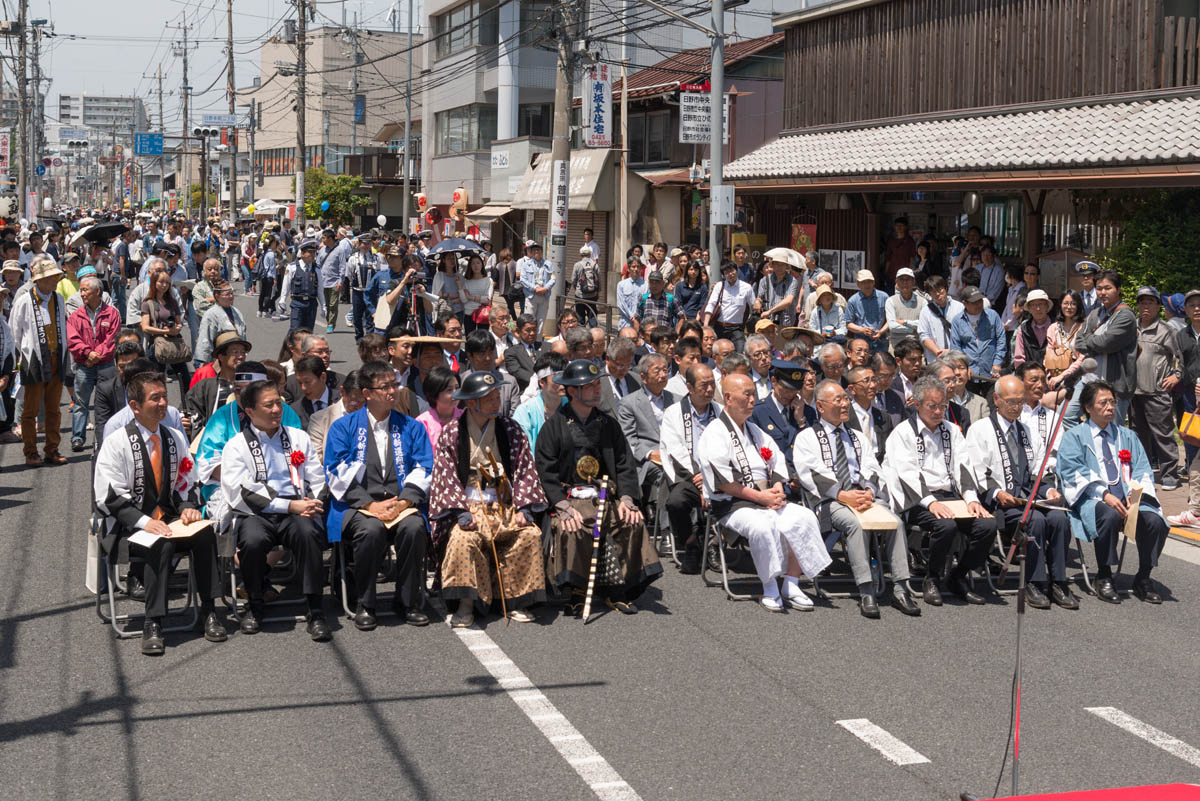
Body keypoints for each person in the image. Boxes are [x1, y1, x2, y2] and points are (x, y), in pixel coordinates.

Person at [93, 371, 227, 655]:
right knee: (160, 543)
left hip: (168, 521)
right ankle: (153, 622)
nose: (163, 403)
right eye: (156, 398)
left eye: (164, 396)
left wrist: (188, 508)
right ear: (135, 406)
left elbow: (186, 483)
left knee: (204, 535)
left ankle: (209, 610)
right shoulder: (116, 443)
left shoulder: (174, 437)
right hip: (128, 527)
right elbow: (109, 497)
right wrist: (144, 522)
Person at [535, 358, 661, 615]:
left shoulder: (608, 424)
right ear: (572, 390)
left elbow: (625, 464)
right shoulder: (553, 427)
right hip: (569, 498)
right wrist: (562, 507)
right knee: (575, 526)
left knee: (630, 521)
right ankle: (577, 591)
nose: (597, 390)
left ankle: (618, 589)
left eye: (597, 384)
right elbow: (545, 472)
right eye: (589, 385)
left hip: (605, 495)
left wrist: (627, 499)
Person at [698, 372, 831, 612]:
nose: (752, 399)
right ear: (728, 398)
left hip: (766, 496)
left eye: (753, 394)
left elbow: (776, 458)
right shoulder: (714, 432)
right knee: (762, 526)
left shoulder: (753, 430)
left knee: (804, 517)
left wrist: (778, 486)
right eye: (746, 394)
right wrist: (761, 497)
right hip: (734, 503)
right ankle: (770, 585)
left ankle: (791, 582)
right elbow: (723, 482)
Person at [429, 370, 548, 627]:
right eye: (489, 397)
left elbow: (525, 468)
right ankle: (466, 603)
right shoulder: (452, 432)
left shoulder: (510, 429)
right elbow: (444, 476)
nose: (497, 401)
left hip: (504, 503)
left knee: (528, 534)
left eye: (497, 395)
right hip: (468, 505)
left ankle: (516, 599)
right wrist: (461, 513)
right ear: (471, 402)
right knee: (463, 539)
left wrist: (525, 508)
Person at [794, 380, 920, 618]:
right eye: (839, 400)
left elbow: (872, 467)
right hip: (831, 500)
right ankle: (866, 589)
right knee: (854, 524)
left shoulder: (857, 437)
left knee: (895, 522)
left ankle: (901, 588)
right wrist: (842, 494)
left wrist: (870, 491)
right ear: (820, 406)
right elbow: (809, 472)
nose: (845, 404)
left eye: (846, 399)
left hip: (863, 495)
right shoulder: (807, 437)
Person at [325, 360, 435, 627]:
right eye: (384, 387)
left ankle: (408, 601)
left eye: (394, 385)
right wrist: (370, 505)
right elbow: (335, 471)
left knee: (413, 527)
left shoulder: (412, 426)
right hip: (359, 505)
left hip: (401, 502)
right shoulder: (344, 427)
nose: (392, 391)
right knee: (370, 530)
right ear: (366, 394)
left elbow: (424, 466)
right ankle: (365, 602)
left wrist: (404, 502)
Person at [218, 378, 331, 639]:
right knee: (253, 540)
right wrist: (289, 505)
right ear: (249, 411)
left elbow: (316, 475)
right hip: (258, 513)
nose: (276, 410)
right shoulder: (236, 446)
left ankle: (315, 608)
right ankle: (255, 604)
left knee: (309, 534)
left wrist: (313, 502)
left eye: (278, 403)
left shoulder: (298, 437)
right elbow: (242, 491)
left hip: (297, 507)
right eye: (268, 405)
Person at [883, 376, 997, 606]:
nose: (938, 411)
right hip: (917, 499)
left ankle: (958, 576)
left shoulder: (952, 431)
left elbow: (964, 466)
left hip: (950, 495)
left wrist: (971, 499)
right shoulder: (903, 433)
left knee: (987, 524)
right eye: (932, 406)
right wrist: (931, 503)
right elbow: (906, 473)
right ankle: (931, 578)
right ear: (917, 405)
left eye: (942, 406)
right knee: (945, 525)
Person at [967, 375, 1077, 610]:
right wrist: (997, 493)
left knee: (1059, 517)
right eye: (1011, 402)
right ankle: (1033, 581)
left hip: (1029, 497)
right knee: (1034, 520)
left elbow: (1040, 469)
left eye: (1021, 402)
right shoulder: (980, 430)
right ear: (996, 399)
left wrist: (1048, 491)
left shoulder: (1027, 431)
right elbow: (977, 473)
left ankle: (1058, 580)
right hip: (1001, 503)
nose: (1017, 407)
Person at [1057, 380, 1169, 604]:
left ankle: (1144, 577)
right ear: (1088, 408)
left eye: (1112, 402)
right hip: (1093, 497)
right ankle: (1104, 573)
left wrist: (1135, 495)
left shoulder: (1127, 436)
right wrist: (1104, 494)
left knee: (1155, 521)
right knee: (1108, 515)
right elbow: (1072, 472)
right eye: (1103, 403)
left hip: (1129, 497)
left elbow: (1142, 469)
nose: (1110, 407)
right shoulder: (1075, 437)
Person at [658, 363, 720, 573]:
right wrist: (699, 479)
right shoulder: (673, 413)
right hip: (689, 477)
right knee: (676, 502)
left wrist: (710, 477)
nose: (710, 390)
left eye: (712, 384)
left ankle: (712, 540)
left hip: (719, 476)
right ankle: (691, 541)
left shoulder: (720, 412)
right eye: (704, 385)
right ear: (690, 387)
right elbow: (675, 451)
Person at [10, 255, 69, 466]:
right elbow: (15, 332)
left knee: (53, 408)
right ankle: (31, 451)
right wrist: (25, 353)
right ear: (39, 280)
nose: (55, 281)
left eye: (55, 277)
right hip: (33, 358)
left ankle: (51, 448)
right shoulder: (25, 300)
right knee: (30, 409)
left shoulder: (58, 299)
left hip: (56, 356)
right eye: (51, 277)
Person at [1129, 286, 1182, 490]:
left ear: (1159, 306)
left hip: (1157, 392)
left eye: (1150, 302)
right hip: (1133, 392)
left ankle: (1170, 475)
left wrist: (1176, 376)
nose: (1145, 306)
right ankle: (1143, 473)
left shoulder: (1167, 330)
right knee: (1137, 435)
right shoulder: (1131, 327)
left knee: (1163, 434)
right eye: (1142, 301)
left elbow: (1181, 358)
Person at [66, 274, 121, 451]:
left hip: (106, 364)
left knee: (107, 401)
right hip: (84, 365)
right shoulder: (75, 316)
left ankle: (108, 436)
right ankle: (77, 437)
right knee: (80, 402)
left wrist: (98, 354)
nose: (82, 294)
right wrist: (88, 354)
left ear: (98, 291)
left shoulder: (112, 313)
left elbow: (113, 338)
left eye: (85, 290)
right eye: (81, 290)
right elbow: (73, 339)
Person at [1076, 269, 1137, 425]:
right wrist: (1095, 341)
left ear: (1118, 289)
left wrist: (1089, 338)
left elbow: (1106, 344)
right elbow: (1078, 342)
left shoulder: (1125, 315)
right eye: (1099, 288)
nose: (1102, 292)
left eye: (1107, 288)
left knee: (1112, 430)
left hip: (1115, 386)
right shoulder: (1095, 313)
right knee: (1076, 419)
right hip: (1091, 381)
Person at [617, 353, 676, 510]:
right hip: (646, 460)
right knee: (665, 475)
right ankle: (666, 527)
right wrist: (650, 453)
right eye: (657, 371)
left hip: (676, 454)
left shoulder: (677, 399)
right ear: (643, 377)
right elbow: (628, 438)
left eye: (665, 370)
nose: (663, 375)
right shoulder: (629, 403)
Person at [185, 331, 250, 429]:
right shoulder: (204, 387)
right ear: (221, 356)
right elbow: (191, 413)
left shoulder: (251, 386)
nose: (241, 356)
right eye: (235, 352)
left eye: (243, 352)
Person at [950, 287, 1006, 383]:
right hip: (970, 375)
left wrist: (997, 363)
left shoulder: (992, 316)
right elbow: (956, 348)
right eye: (974, 302)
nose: (978, 304)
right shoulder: (957, 321)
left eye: (980, 301)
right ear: (964, 303)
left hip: (991, 373)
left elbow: (1001, 340)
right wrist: (963, 367)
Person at [513, 351, 568, 448]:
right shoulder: (525, 412)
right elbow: (523, 450)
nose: (562, 382)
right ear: (542, 382)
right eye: (557, 377)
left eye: (565, 376)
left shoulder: (572, 407)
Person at [462, 329, 520, 416]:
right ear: (470, 355)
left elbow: (515, 416)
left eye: (491, 352)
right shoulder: (460, 382)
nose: (488, 358)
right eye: (482, 354)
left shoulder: (509, 382)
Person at [309, 370, 363, 463]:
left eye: (364, 402)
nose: (360, 406)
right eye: (354, 401)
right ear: (342, 392)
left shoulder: (373, 415)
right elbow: (315, 459)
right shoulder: (319, 419)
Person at [702, 261, 755, 352]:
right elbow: (711, 304)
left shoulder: (747, 288)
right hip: (719, 327)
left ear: (736, 270)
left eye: (732, 271)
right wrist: (706, 325)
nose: (730, 274)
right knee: (717, 353)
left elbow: (753, 306)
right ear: (723, 275)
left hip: (737, 328)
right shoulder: (719, 286)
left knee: (740, 353)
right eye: (726, 272)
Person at [193, 279, 247, 367]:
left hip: (237, 356)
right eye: (227, 294)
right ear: (217, 296)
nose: (231, 296)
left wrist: (243, 352)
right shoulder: (210, 314)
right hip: (219, 357)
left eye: (232, 293)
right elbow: (205, 339)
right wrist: (206, 364)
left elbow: (243, 334)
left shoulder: (237, 312)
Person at [844, 365, 892, 460]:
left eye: (874, 380)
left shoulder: (884, 418)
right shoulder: (844, 418)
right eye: (866, 381)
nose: (873, 385)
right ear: (852, 389)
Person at [918, 275, 964, 363]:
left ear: (945, 288)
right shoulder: (925, 311)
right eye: (933, 291)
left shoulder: (959, 307)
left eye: (939, 290)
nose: (937, 294)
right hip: (935, 359)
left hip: (957, 357)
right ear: (929, 294)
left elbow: (965, 332)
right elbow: (923, 335)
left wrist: (952, 351)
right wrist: (938, 352)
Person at [1045, 289, 1087, 386]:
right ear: (1060, 305)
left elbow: (1082, 358)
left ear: (1078, 306)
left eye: (1073, 304)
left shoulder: (1084, 328)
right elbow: (1048, 355)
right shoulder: (1053, 328)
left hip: (1077, 377)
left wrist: (1062, 376)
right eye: (1066, 303)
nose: (1069, 307)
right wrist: (1049, 376)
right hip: (1055, 376)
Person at [415, 365, 462, 450]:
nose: (455, 393)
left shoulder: (465, 417)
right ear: (434, 393)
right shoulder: (422, 423)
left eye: (457, 388)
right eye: (449, 390)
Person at [289, 355, 342, 428]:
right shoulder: (295, 410)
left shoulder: (342, 400)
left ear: (323, 377)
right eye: (300, 383)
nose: (303, 388)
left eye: (307, 382)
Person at [845, 269, 889, 353]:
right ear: (858, 284)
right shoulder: (853, 300)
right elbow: (848, 324)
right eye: (863, 282)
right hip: (861, 341)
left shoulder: (884, 297)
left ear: (874, 282)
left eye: (869, 281)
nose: (867, 285)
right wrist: (862, 330)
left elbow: (890, 319)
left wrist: (881, 331)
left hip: (880, 340)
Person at [347, 233, 381, 339]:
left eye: (368, 244)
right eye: (363, 244)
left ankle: (369, 337)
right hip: (358, 290)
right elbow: (349, 274)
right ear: (359, 244)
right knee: (357, 315)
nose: (366, 246)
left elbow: (379, 273)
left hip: (371, 292)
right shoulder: (353, 258)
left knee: (370, 315)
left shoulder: (375, 258)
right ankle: (359, 336)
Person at [755, 250, 800, 328]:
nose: (779, 267)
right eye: (776, 264)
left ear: (786, 266)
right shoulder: (765, 280)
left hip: (786, 323)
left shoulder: (792, 281)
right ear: (772, 265)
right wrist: (757, 302)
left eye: (782, 265)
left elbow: (788, 301)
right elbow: (760, 298)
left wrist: (770, 311)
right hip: (767, 322)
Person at [317, 227, 350, 333]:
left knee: (333, 304)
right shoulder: (322, 250)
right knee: (326, 304)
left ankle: (331, 324)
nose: (322, 240)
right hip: (323, 281)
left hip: (335, 281)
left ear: (330, 238)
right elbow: (317, 265)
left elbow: (342, 266)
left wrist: (341, 281)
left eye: (324, 238)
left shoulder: (339, 250)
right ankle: (328, 321)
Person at [518, 241, 555, 336]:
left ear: (542, 251)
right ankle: (528, 340)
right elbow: (522, 279)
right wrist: (535, 288)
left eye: (538, 250)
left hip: (544, 296)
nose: (536, 252)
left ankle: (538, 342)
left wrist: (545, 288)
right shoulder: (526, 264)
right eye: (534, 250)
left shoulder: (548, 264)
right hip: (531, 296)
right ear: (531, 252)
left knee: (541, 320)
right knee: (529, 320)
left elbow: (553, 278)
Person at [884, 267, 926, 350]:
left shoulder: (923, 302)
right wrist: (912, 330)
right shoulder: (890, 301)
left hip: (917, 347)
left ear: (913, 282)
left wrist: (905, 322)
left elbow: (924, 325)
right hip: (896, 346)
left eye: (908, 280)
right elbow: (892, 326)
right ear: (897, 282)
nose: (905, 283)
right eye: (901, 280)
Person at [597, 335, 640, 414]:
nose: (624, 369)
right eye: (620, 365)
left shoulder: (637, 380)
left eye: (628, 365)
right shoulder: (596, 382)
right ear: (607, 359)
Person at [1012, 288, 1053, 367]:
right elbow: (1019, 358)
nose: (1038, 309)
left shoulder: (1056, 327)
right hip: (1030, 375)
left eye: (1041, 304)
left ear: (1047, 307)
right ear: (1029, 309)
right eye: (1034, 305)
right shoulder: (1023, 329)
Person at [288, 239, 322, 332]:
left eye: (314, 252)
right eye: (309, 252)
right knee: (294, 330)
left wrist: (324, 306)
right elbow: (286, 285)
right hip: (297, 303)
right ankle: (288, 346)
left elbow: (320, 290)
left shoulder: (317, 269)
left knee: (308, 331)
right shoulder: (292, 267)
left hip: (311, 303)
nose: (312, 255)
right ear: (302, 253)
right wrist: (282, 300)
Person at [503, 314, 541, 391]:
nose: (532, 333)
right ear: (518, 331)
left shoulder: (547, 347)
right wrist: (541, 381)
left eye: (534, 330)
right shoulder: (511, 353)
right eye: (528, 330)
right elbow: (518, 373)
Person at [460, 253, 493, 335]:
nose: (476, 266)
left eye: (478, 263)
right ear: (470, 266)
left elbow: (487, 300)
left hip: (483, 314)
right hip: (469, 314)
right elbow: (464, 300)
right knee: (470, 340)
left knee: (483, 340)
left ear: (482, 264)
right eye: (473, 263)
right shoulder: (466, 281)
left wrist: (470, 298)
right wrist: (460, 287)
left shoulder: (488, 281)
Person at [568, 245, 600, 326]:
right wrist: (598, 292)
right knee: (592, 316)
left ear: (581, 255)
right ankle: (593, 334)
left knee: (580, 316)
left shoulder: (577, 265)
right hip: (592, 295)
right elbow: (599, 280)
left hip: (580, 295)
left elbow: (573, 279)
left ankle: (581, 335)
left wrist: (577, 289)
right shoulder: (595, 265)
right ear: (590, 254)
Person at [616, 259, 646, 330]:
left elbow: (646, 303)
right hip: (625, 322)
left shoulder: (646, 285)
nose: (636, 269)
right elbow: (621, 304)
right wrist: (632, 318)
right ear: (628, 269)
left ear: (641, 269)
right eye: (633, 266)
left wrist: (637, 319)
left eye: (638, 267)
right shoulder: (621, 284)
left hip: (641, 323)